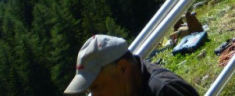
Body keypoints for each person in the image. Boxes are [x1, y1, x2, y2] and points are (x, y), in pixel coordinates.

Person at [64, 34, 199, 96]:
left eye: (97, 87)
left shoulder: (165, 91)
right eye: (90, 91)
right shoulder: (131, 89)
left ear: (123, 68)